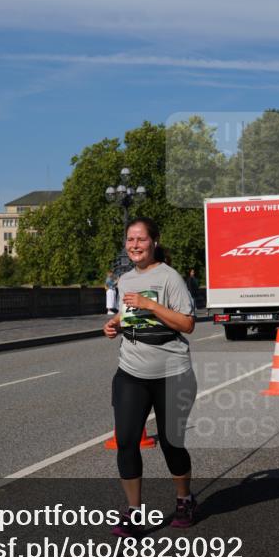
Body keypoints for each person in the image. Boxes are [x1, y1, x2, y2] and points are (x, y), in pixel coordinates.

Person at [103, 217, 198, 535]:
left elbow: (186, 324)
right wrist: (114, 325)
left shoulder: (170, 278)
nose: (135, 245)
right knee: (127, 442)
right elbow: (129, 313)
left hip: (172, 372)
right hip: (131, 371)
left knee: (172, 443)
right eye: (130, 240)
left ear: (154, 241)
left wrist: (149, 304)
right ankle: (133, 512)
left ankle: (184, 499)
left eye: (141, 239)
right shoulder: (124, 279)